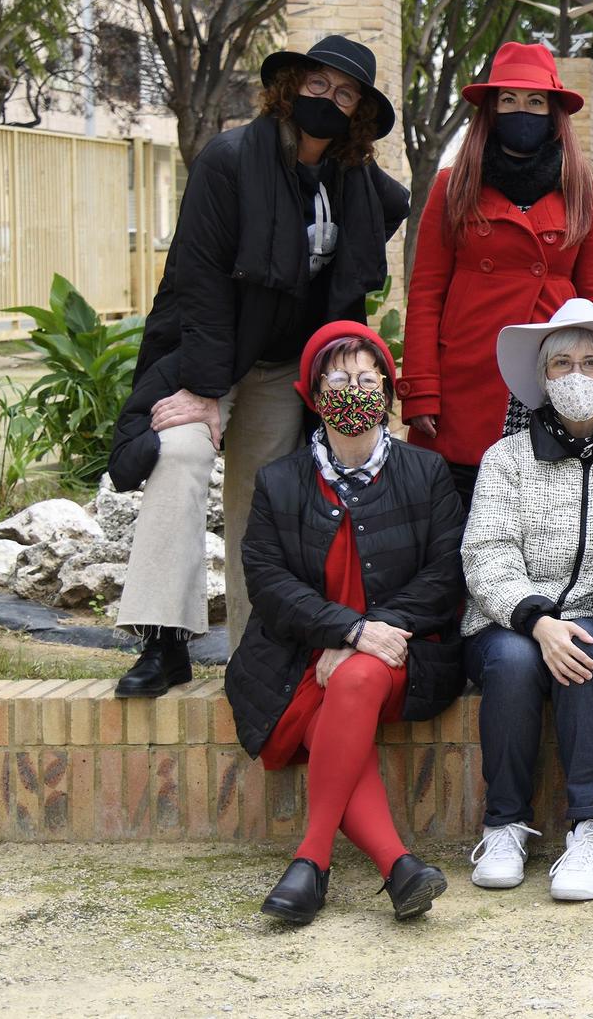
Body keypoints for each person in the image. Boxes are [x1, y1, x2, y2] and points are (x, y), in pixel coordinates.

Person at [108, 36, 410, 698]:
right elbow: (202, 283)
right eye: (318, 84)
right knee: (177, 454)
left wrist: (356, 165)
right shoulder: (227, 160)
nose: (327, 100)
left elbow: (392, 203)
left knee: (262, 499)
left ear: (358, 111)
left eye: (345, 93)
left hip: (279, 367)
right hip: (203, 355)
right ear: (289, 85)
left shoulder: (347, 180)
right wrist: (206, 390)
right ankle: (165, 641)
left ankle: (254, 650)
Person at [225, 322, 464, 926]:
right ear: (312, 392)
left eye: (366, 376)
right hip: (296, 660)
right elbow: (269, 583)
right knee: (342, 712)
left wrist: (368, 634)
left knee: (355, 681)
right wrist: (343, 632)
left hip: (401, 654)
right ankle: (399, 868)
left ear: (386, 387)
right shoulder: (280, 482)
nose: (353, 389)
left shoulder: (426, 473)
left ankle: (312, 861)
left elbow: (443, 576)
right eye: (338, 378)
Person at [460, 299, 593, 901]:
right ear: (543, 379)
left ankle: (588, 827)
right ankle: (504, 825)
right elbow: (485, 553)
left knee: (586, 648)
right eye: (562, 364)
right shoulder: (506, 459)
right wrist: (537, 619)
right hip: (508, 619)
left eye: (592, 363)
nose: (577, 376)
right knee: (517, 661)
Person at [403, 41, 593, 507]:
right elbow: (425, 295)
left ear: (554, 112)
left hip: (547, 374)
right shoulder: (451, 185)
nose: (523, 112)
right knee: (452, 522)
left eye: (536, 102)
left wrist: (589, 384)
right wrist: (420, 390)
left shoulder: (583, 191)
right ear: (491, 111)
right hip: (466, 376)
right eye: (509, 101)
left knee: (538, 512)